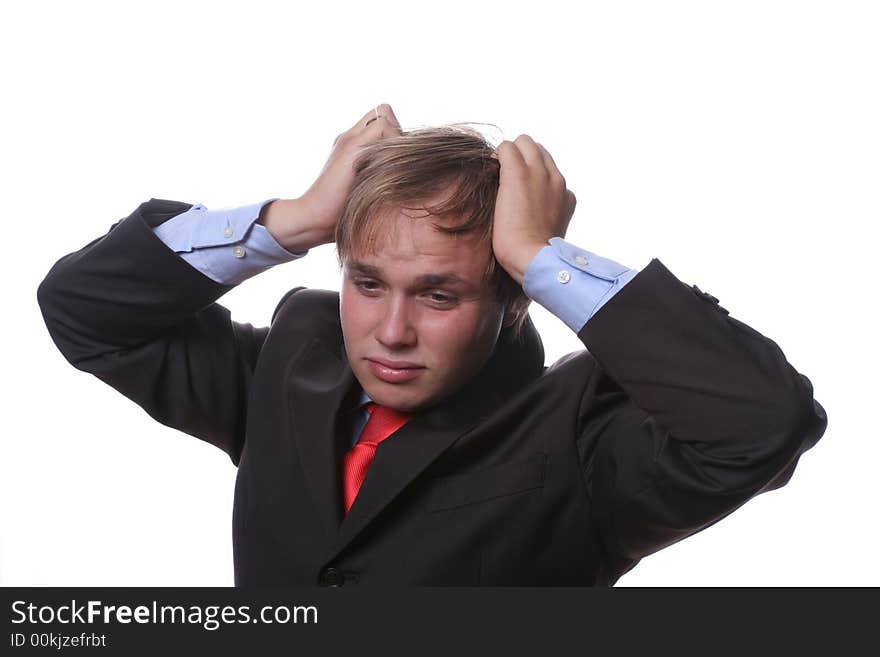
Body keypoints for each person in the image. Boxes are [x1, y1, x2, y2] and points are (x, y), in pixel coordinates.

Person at [37, 104, 827, 586]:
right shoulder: (293, 365)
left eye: (439, 294)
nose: (389, 331)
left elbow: (763, 422)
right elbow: (85, 309)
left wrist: (543, 257)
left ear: (512, 298)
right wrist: (299, 219)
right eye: (368, 282)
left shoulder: (582, 436)